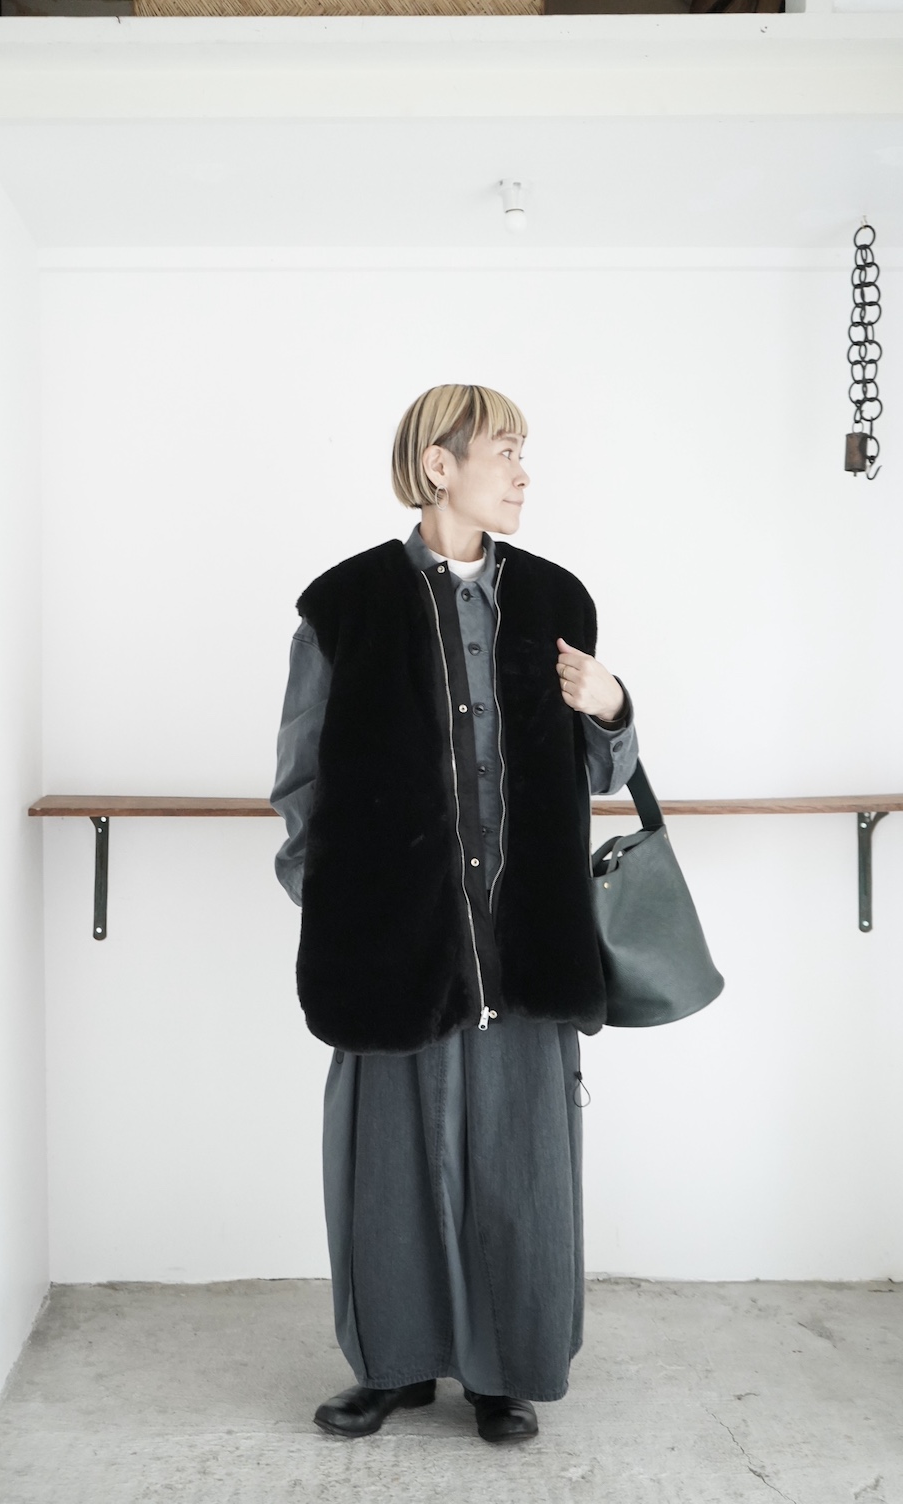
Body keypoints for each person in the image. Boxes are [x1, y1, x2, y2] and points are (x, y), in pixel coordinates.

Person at [270, 384, 638, 1444]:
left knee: (521, 1165)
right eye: (504, 451)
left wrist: (613, 705)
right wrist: (338, 907)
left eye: (525, 452)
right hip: (392, 943)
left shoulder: (556, 599)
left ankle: (502, 1371)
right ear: (441, 465)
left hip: (528, 939)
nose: (523, 472)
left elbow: (600, 770)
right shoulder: (343, 605)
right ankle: (392, 1367)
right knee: (386, 1165)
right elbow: (301, 782)